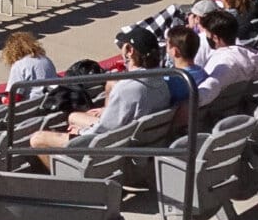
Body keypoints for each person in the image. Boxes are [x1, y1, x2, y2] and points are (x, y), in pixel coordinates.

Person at [30, 26, 172, 151]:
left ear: (130, 51)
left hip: (106, 149)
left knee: (37, 139)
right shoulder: (162, 81)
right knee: (73, 116)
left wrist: (81, 133)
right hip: (131, 140)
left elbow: (103, 132)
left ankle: (64, 176)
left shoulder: (126, 89)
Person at [192, 10, 258, 106]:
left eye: (207, 35)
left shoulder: (224, 64)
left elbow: (210, 88)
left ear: (215, 38)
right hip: (239, 106)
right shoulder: (247, 55)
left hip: (218, 111)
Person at [1, 32, 57, 101]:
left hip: (30, 106)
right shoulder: (46, 60)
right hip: (50, 101)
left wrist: (4, 99)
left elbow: (14, 98)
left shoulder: (19, 65)